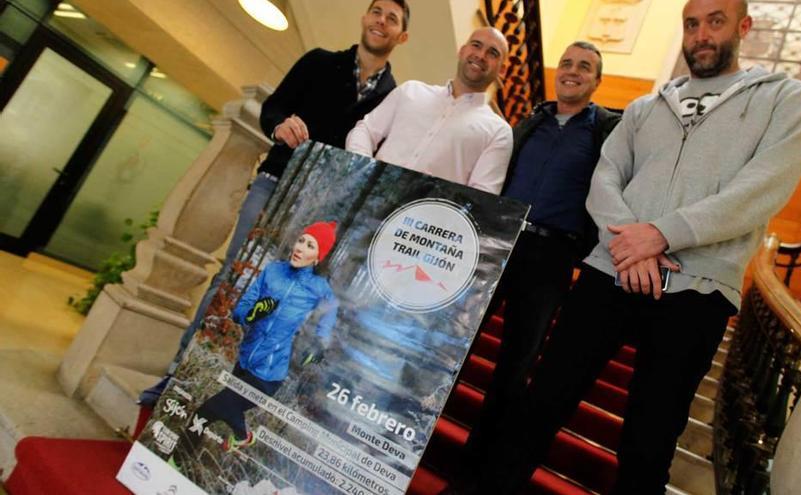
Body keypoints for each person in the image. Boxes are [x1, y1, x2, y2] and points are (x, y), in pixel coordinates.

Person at [457, 0, 801, 493]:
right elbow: (605, 176)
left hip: (698, 289)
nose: (701, 35)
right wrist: (634, 242)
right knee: (537, 409)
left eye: (716, 22)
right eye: (692, 24)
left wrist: (664, 232)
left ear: (744, 27)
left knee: (647, 446)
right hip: (609, 272)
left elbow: (760, 189)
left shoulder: (785, 98)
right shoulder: (647, 107)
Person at [139, 0, 410, 406]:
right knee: (234, 280)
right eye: (377, 11)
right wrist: (279, 125)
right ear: (364, 17)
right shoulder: (318, 62)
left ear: (401, 36)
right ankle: (178, 377)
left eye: (392, 19)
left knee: (289, 306)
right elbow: (273, 108)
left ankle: (233, 394)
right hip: (273, 185)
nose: (381, 22)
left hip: (323, 216)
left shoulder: (396, 99)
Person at [454, 41, 620, 482]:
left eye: (584, 67)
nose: (572, 71)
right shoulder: (530, 120)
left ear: (596, 82)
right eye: (566, 63)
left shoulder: (605, 130)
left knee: (514, 369)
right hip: (503, 242)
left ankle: (473, 476)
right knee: (455, 343)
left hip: (552, 258)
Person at [182, 221, 339, 453]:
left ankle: (175, 458)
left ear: (318, 257)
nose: (300, 248)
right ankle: (242, 437)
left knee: (205, 412)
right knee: (225, 409)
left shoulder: (318, 288)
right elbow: (239, 311)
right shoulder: (273, 271)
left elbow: (331, 312)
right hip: (244, 363)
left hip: (269, 373)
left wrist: (320, 342)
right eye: (301, 240)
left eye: (310, 246)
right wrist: (252, 313)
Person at [346, 27, 513, 194]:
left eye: (493, 53)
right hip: (365, 198)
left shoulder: (498, 132)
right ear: (462, 51)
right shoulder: (411, 90)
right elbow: (366, 130)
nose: (481, 55)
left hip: (423, 218)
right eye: (476, 45)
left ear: (502, 70)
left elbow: (482, 197)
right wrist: (363, 170)